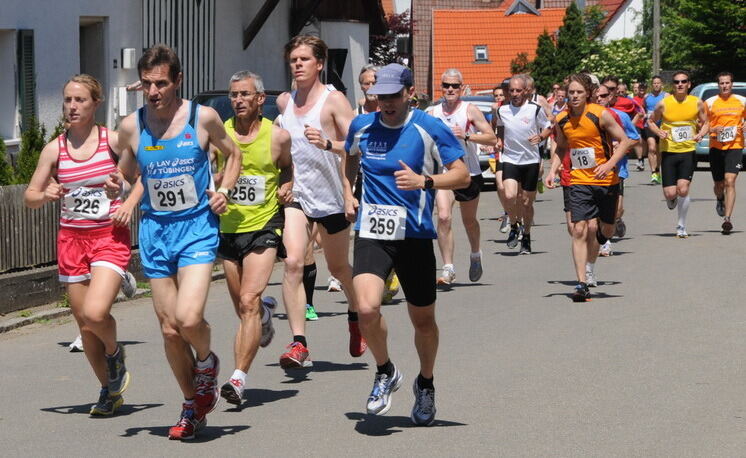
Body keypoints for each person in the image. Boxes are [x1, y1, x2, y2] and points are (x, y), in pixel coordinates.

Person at [109, 44, 242, 440]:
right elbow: (127, 172)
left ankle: (207, 361)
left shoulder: (203, 118)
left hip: (197, 228)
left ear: (178, 81)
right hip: (155, 234)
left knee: (187, 318)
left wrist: (224, 190)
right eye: (148, 84)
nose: (153, 92)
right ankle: (191, 405)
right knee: (169, 330)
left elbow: (232, 155)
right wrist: (119, 183)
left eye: (161, 83)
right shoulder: (132, 126)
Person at [344, 63, 470, 426]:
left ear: (409, 93)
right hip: (373, 230)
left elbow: (461, 175)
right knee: (366, 309)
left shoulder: (428, 127)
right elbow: (350, 155)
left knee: (424, 321)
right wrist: (347, 193)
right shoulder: (362, 125)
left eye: (393, 96)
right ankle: (385, 371)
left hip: (414, 235)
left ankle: (426, 384)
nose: (385, 103)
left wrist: (426, 181)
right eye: (379, 96)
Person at [24, 74, 135, 416]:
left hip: (108, 236)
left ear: (95, 103)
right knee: (85, 325)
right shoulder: (54, 148)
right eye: (68, 100)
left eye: (80, 100)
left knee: (95, 312)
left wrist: (127, 199)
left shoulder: (112, 141)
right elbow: (29, 196)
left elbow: (143, 175)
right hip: (72, 239)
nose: (72, 107)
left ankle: (116, 353)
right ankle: (108, 390)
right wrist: (45, 194)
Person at [276, 35, 366, 369]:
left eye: (303, 59)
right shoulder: (285, 102)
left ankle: (356, 316)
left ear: (319, 64)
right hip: (298, 196)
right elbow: (282, 146)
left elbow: (357, 146)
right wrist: (282, 176)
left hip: (332, 197)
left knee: (340, 268)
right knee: (293, 262)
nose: (297, 65)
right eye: (293, 60)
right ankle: (298, 342)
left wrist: (330, 147)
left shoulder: (334, 101)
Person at [213, 70, 293, 405]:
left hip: (263, 226)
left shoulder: (277, 137)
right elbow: (209, 168)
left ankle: (238, 379)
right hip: (228, 228)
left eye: (245, 94)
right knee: (243, 307)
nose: (238, 101)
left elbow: (287, 167)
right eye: (234, 95)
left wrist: (287, 184)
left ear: (261, 100)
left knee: (248, 301)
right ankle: (264, 318)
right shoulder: (220, 133)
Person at [545, 73, 632, 302]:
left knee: (606, 230)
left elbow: (624, 141)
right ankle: (582, 283)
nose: (574, 96)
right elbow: (562, 147)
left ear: (587, 94)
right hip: (579, 180)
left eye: (579, 92)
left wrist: (610, 164)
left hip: (606, 181)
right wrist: (553, 170)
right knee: (579, 229)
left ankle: (605, 237)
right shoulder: (562, 118)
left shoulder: (600, 114)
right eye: (571, 92)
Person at [427, 68, 497, 284]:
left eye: (454, 86)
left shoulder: (470, 110)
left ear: (462, 87)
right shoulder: (432, 113)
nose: (450, 89)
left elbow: (492, 139)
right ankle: (448, 267)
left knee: (468, 221)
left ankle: (476, 253)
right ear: (441, 88)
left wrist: (467, 135)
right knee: (444, 216)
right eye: (446, 85)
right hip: (444, 173)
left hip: (468, 173)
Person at [648, 70, 709, 238]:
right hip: (668, 151)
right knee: (670, 193)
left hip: (688, 151)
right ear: (673, 85)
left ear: (689, 84)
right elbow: (651, 121)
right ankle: (671, 198)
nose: (680, 84)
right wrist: (659, 132)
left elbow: (706, 123)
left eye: (683, 81)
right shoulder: (664, 103)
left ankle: (681, 226)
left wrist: (701, 134)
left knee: (683, 189)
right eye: (676, 82)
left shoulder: (697, 103)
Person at [497, 74, 552, 254]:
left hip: (530, 160)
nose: (514, 94)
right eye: (511, 90)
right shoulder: (502, 110)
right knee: (510, 195)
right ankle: (514, 225)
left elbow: (548, 126)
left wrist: (541, 136)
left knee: (527, 202)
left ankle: (526, 235)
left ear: (525, 91)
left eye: (518, 90)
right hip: (510, 159)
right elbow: (499, 126)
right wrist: (499, 139)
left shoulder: (534, 109)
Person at [594, 84, 640, 258]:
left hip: (617, 169)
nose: (600, 99)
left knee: (617, 209)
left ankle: (616, 219)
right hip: (594, 171)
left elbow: (634, 139)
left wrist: (620, 144)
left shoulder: (620, 116)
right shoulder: (587, 116)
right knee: (599, 209)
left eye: (604, 95)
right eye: (597, 96)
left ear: (610, 97)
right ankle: (605, 243)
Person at [705, 71, 746, 234]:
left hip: (735, 145)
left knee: (730, 181)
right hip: (716, 146)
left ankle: (727, 219)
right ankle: (720, 198)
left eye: (727, 83)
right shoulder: (710, 102)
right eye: (722, 83)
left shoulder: (742, 101)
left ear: (732, 84)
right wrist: (712, 128)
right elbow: (701, 123)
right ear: (718, 85)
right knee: (719, 184)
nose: (725, 86)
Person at [491, 84, 511, 234]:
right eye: (496, 96)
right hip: (501, 150)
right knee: (500, 185)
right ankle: (507, 213)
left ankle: (518, 214)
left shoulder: (514, 108)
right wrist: (493, 141)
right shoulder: (496, 109)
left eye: (501, 95)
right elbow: (493, 127)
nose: (498, 98)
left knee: (517, 192)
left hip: (516, 152)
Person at [644, 76, 668, 183]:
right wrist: (644, 115)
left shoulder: (666, 96)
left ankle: (658, 170)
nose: (656, 85)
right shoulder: (646, 97)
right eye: (654, 83)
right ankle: (653, 172)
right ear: (652, 85)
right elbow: (642, 108)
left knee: (659, 150)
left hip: (662, 126)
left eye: (658, 83)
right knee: (652, 148)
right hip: (649, 125)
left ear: (661, 84)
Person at [633, 82, 649, 171]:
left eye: (643, 89)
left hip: (646, 123)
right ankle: (639, 159)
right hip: (637, 123)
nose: (642, 91)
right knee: (638, 140)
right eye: (640, 89)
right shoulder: (634, 99)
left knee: (644, 142)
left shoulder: (647, 98)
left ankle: (642, 158)